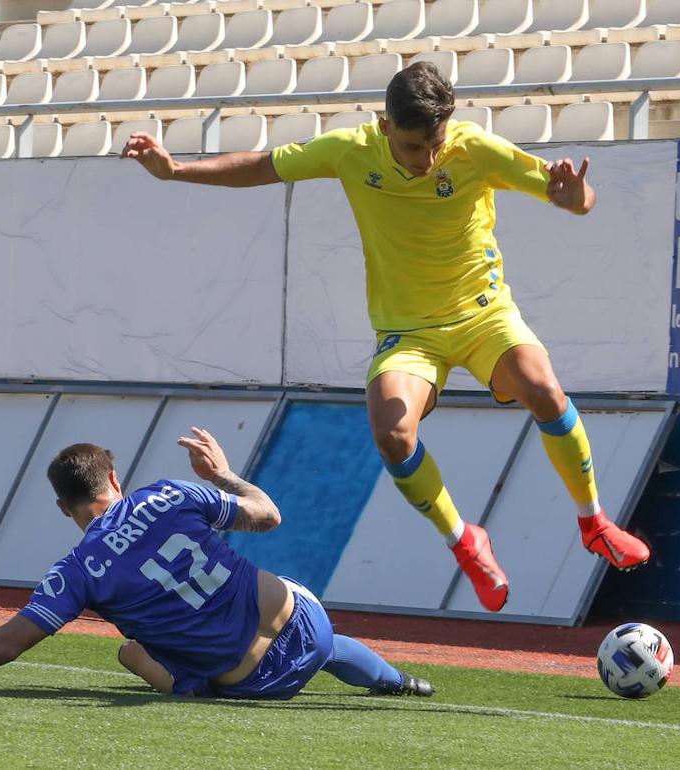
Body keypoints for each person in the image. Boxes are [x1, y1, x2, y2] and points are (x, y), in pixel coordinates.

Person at [119, 62, 650, 613]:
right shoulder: (351, 151)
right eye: (416, 147)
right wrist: (176, 169)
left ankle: (593, 522)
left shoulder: (476, 150)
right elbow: (262, 166)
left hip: (485, 316)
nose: (428, 160)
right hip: (409, 333)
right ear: (385, 124)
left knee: (542, 388)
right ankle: (465, 541)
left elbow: (575, 197)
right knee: (393, 434)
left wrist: (574, 197)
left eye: (436, 143)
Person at [0, 428, 434, 700]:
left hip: (253, 684)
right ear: (115, 480)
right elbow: (268, 515)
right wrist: (223, 472)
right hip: (308, 627)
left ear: (61, 507)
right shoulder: (169, 493)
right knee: (302, 611)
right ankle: (399, 682)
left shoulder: (76, 570)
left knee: (129, 650)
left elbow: (4, 644)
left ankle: (195, 681)